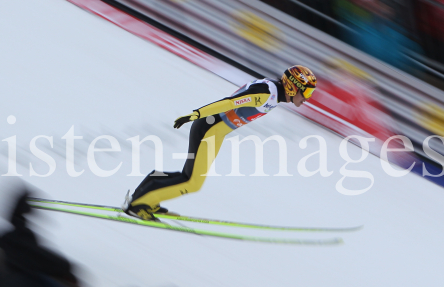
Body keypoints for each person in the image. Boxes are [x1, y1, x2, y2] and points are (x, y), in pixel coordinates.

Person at [123, 66, 317, 220]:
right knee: (192, 183)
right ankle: (138, 205)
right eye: (306, 93)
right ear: (293, 86)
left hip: (216, 133)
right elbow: (229, 103)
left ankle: (148, 193)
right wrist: (195, 114)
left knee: (188, 176)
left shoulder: (272, 93)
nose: (306, 99)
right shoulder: (266, 94)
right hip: (208, 129)